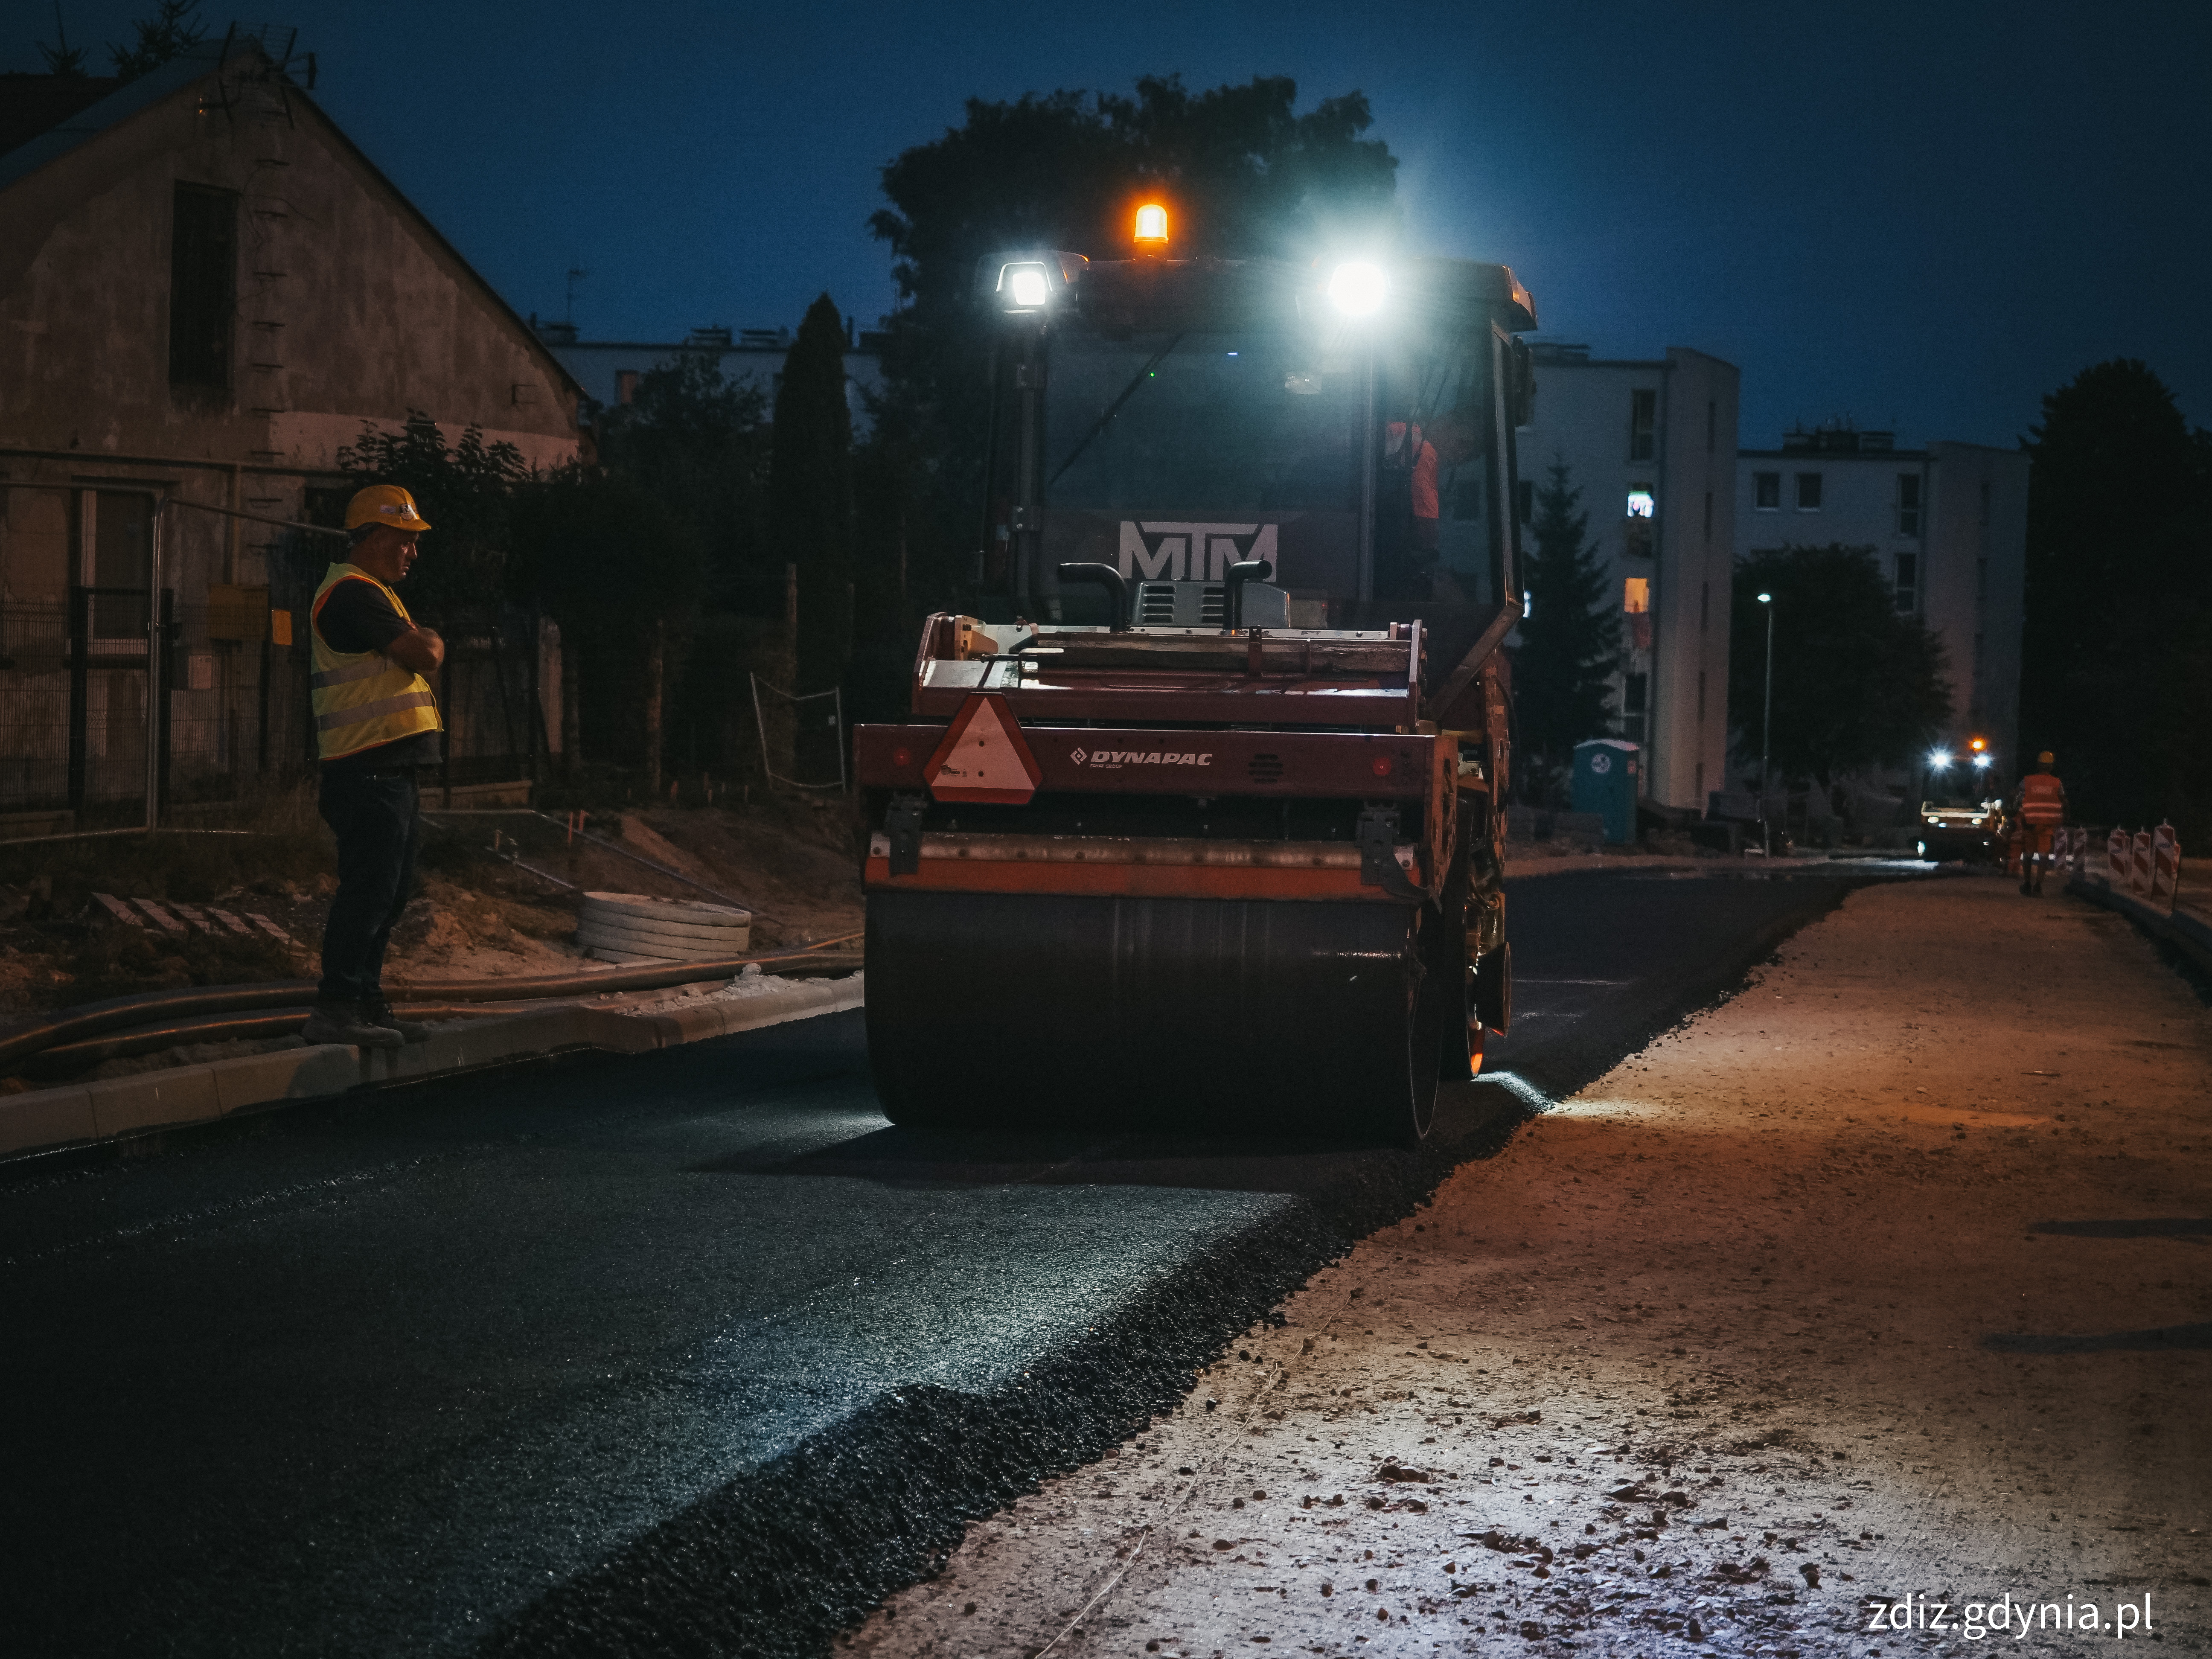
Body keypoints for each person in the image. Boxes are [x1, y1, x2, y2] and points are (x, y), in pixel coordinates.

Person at [300, 485, 446, 1048]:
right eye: (407, 541)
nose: (413, 552)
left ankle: (362, 1003)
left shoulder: (374, 594)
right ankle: (335, 1008)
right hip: (365, 772)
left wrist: (420, 637)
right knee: (369, 893)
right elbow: (425, 655)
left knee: (389, 895)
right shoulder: (352, 593)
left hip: (388, 773)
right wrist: (428, 639)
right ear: (379, 536)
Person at [2011, 750, 2066, 896]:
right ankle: (2038, 887)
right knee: (2043, 856)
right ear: (2051, 767)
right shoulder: (2057, 783)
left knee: (2028, 855)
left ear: (2038, 765)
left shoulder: (2028, 781)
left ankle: (2027, 884)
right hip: (2047, 825)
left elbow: (2014, 794)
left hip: (2029, 824)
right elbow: (2064, 801)